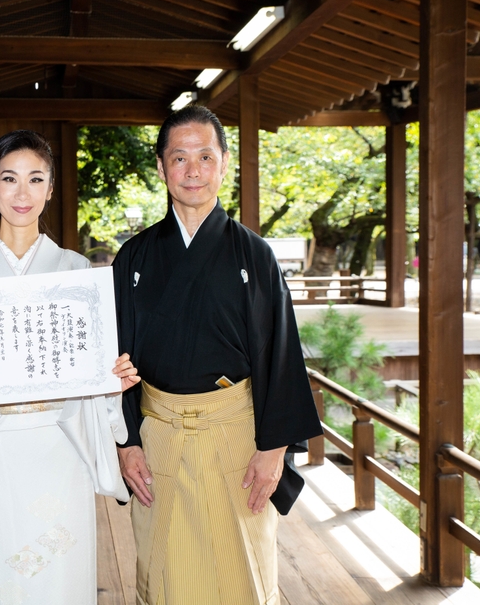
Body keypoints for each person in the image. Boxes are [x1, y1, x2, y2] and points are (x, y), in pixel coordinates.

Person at [112, 106, 322, 605]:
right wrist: (125, 441)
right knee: (164, 575)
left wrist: (275, 450)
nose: (192, 170)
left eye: (205, 156)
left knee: (242, 574)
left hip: (237, 437)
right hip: (158, 433)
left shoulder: (255, 255)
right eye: (179, 158)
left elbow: (282, 355)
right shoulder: (134, 258)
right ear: (161, 169)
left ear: (223, 163)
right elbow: (113, 359)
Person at [0, 130, 139, 604]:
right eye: (9, 179)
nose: (22, 193)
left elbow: (96, 364)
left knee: (58, 572)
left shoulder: (77, 271)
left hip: (60, 446)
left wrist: (111, 380)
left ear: (51, 188)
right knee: (1, 574)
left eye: (35, 179)